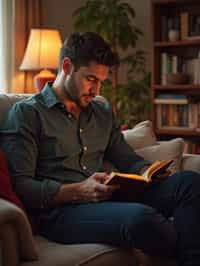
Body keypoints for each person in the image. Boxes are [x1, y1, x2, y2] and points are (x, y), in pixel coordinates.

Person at [0, 32, 200, 266]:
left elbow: (126, 158)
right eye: (91, 79)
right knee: (141, 219)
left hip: (108, 198)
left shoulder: (102, 112)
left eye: (101, 82)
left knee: (189, 183)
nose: (96, 90)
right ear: (67, 66)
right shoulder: (27, 114)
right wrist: (79, 190)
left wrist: (148, 170)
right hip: (63, 213)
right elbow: (22, 186)